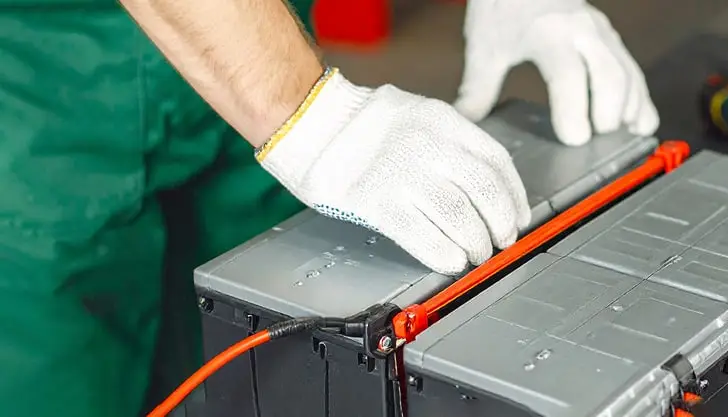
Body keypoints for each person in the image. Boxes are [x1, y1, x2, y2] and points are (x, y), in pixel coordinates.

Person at [0, 0, 658, 416]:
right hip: (37, 72)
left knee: (263, 354)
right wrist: (310, 117)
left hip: (258, 31)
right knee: (59, 375)